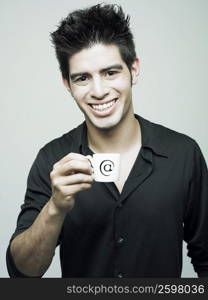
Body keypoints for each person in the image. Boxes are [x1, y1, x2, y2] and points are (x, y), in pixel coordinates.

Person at [6, 3, 208, 278]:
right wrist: (55, 208)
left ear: (133, 70)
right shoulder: (52, 158)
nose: (99, 91)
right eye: (82, 78)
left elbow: (205, 256)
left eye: (110, 73)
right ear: (67, 84)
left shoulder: (183, 153)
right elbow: (22, 273)